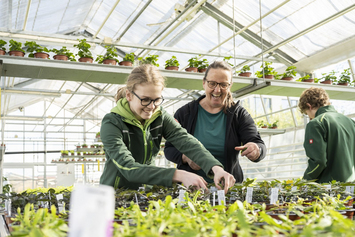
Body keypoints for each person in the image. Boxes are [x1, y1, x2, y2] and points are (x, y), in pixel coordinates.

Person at [99, 64, 235, 193]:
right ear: (129, 95)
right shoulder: (112, 123)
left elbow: (186, 141)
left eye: (156, 100)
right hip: (114, 194)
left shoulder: (160, 116)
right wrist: (179, 175)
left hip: (145, 193)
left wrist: (216, 168)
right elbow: (128, 168)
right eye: (145, 100)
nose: (151, 106)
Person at [164, 61, 266, 183]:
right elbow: (169, 149)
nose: (217, 90)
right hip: (190, 187)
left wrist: (256, 150)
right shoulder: (185, 113)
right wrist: (185, 157)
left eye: (223, 85)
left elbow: (257, 143)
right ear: (204, 83)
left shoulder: (238, 115)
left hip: (227, 188)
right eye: (212, 84)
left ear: (230, 86)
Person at [298, 87, 355, 183]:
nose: (309, 117)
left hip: (329, 188)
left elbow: (318, 162)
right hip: (351, 186)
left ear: (309, 106)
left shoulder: (316, 123)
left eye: (306, 113)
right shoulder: (350, 122)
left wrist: (304, 181)